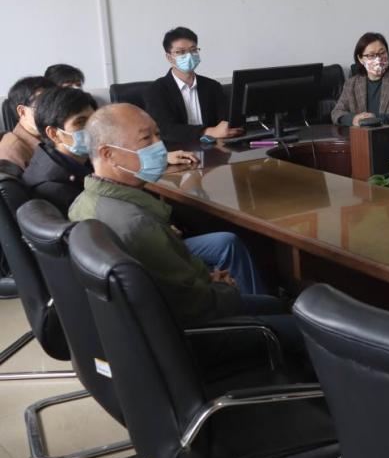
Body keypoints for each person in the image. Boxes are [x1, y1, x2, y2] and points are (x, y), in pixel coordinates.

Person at [68, 104, 277, 326]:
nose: (159, 146)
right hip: (203, 329)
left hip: (147, 321)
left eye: (158, 135)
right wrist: (224, 288)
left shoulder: (80, 204)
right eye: (146, 138)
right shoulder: (140, 225)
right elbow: (197, 306)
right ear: (108, 154)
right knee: (278, 309)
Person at [24, 87, 198, 215]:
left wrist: (158, 156)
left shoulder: (68, 159)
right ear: (54, 134)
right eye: (80, 122)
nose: (92, 128)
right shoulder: (54, 188)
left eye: (93, 119)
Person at [143, 27, 243, 145]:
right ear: (169, 57)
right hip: (177, 150)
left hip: (213, 149)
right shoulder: (156, 90)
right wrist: (207, 131)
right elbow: (165, 129)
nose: (189, 56)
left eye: (193, 50)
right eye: (181, 52)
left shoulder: (212, 86)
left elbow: (225, 121)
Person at [331, 32, 389, 127]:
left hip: (388, 133)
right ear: (361, 59)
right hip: (360, 134)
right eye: (371, 55)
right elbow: (336, 112)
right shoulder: (351, 84)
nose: (378, 59)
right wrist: (354, 119)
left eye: (382, 53)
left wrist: (376, 119)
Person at [0, 76, 56, 171]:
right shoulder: (11, 151)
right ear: (22, 111)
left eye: (54, 104)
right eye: (43, 106)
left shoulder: (51, 136)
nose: (52, 112)